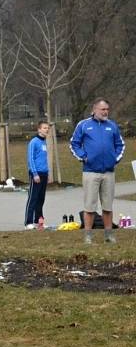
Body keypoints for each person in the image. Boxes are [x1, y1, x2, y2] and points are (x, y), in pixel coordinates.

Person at [70, 98, 125, 244]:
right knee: (90, 206)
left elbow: (120, 144)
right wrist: (83, 157)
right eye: (103, 109)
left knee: (107, 206)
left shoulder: (112, 126)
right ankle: (88, 235)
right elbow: (74, 144)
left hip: (109, 172)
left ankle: (109, 235)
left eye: (107, 109)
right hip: (90, 171)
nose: (105, 112)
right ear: (94, 109)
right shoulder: (83, 125)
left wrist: (115, 159)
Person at [25, 121, 50, 227]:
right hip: (36, 174)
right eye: (44, 128)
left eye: (47, 128)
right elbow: (30, 159)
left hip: (44, 174)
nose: (47, 130)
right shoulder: (33, 142)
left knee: (41, 199)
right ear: (39, 129)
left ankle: (39, 221)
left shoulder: (44, 142)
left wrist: (47, 173)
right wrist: (35, 174)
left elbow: (44, 159)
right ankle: (28, 222)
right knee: (33, 198)